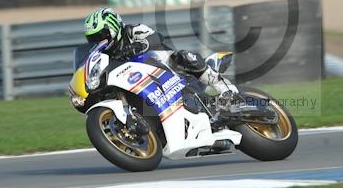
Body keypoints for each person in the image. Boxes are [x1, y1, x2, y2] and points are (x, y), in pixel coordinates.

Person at [83, 7, 239, 112]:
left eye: (100, 36)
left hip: (169, 68)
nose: (98, 42)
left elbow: (156, 36)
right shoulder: (106, 55)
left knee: (183, 56)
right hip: (145, 85)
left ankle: (227, 91)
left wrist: (138, 45)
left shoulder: (132, 30)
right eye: (94, 39)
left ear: (113, 27)